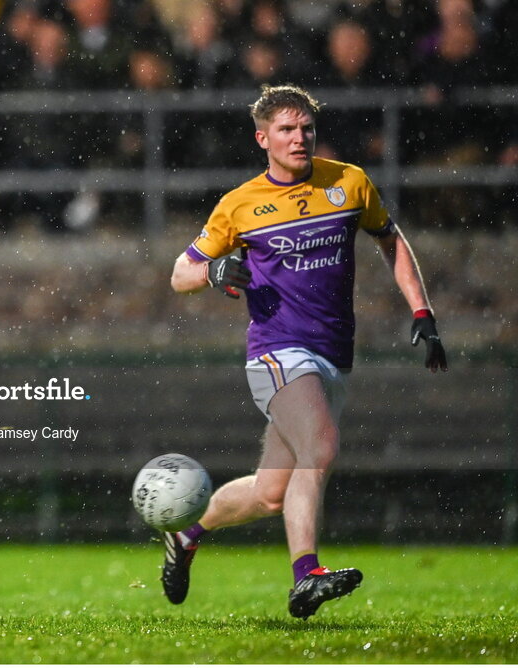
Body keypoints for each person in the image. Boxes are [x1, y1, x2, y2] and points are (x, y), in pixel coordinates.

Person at [166, 84, 447, 619]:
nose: (300, 138)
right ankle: (306, 576)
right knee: (320, 442)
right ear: (263, 138)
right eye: (288, 130)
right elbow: (181, 274)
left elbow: (391, 240)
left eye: (306, 129)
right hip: (276, 351)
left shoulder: (348, 182)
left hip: (333, 354)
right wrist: (214, 270)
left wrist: (422, 312)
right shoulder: (239, 204)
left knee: (272, 493)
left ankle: (186, 535)